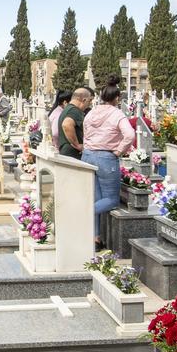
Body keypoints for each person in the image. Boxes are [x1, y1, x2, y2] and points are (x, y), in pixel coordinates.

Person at [82, 76, 135, 246]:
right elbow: (130, 135)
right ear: (117, 98)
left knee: (96, 199)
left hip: (88, 155)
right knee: (111, 200)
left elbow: (85, 132)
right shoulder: (117, 113)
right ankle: (80, 216)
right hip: (106, 157)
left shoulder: (91, 112)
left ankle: (94, 237)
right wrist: (119, 150)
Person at [57, 87, 93, 159]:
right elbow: (66, 125)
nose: (90, 103)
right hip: (72, 154)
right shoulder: (74, 110)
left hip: (67, 152)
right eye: (89, 101)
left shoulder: (68, 109)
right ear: (84, 100)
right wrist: (77, 145)